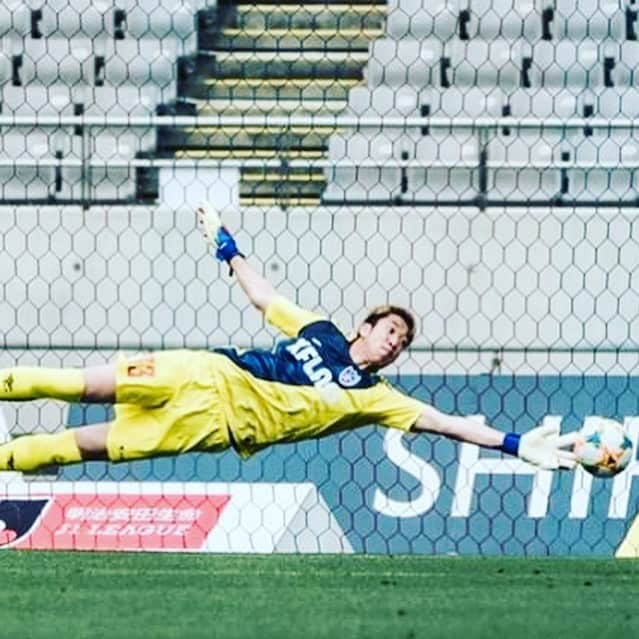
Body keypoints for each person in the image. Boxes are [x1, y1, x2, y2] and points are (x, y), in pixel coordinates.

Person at [0, 203, 577, 473]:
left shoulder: (376, 399)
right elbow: (263, 297)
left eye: (403, 342)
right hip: (208, 370)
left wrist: (515, 443)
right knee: (79, 384)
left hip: (211, 425)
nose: (395, 343)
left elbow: (448, 423)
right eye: (391, 330)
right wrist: (226, 247)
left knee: (76, 447)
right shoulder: (320, 330)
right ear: (365, 326)